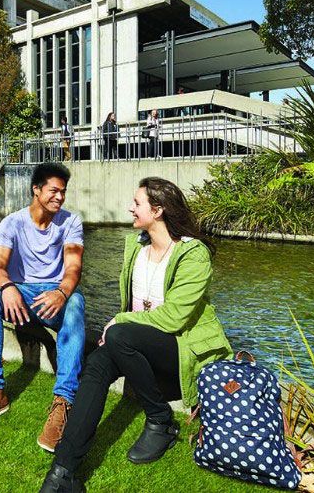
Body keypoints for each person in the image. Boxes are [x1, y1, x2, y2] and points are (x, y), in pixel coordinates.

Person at [39, 177, 233, 493]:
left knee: (118, 337)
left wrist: (120, 321)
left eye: (137, 202)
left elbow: (174, 318)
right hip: (137, 342)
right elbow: (132, 310)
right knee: (98, 363)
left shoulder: (193, 254)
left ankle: (160, 420)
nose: (130, 207)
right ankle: (63, 473)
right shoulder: (136, 245)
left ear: (157, 210)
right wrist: (123, 325)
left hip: (180, 345)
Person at [0, 162, 85, 453]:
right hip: (20, 296)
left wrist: (62, 292)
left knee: (77, 300)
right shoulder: (12, 223)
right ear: (36, 190)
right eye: (54, 191)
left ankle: (63, 402)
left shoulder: (71, 223)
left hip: (53, 296)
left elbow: (73, 268)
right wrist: (8, 287)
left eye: (63, 192)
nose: (60, 197)